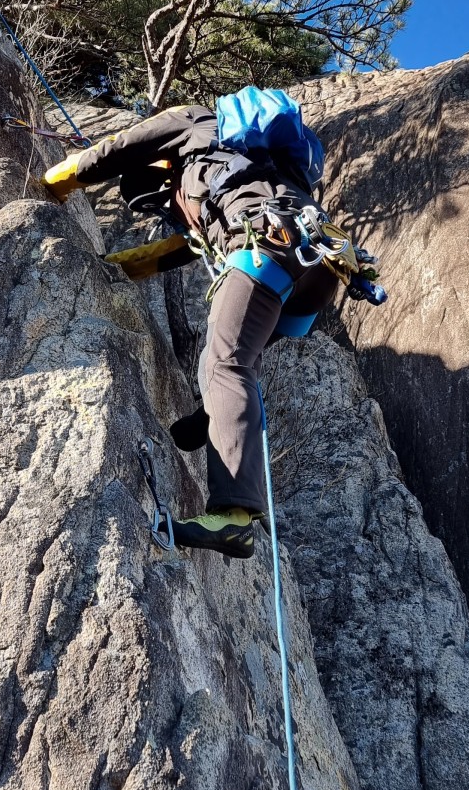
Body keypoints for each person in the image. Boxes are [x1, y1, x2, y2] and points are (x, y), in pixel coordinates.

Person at [43, 91, 380, 558]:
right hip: (320, 266)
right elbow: (181, 249)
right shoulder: (231, 173)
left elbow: (119, 148)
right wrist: (114, 267)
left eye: (158, 193)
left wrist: (56, 181)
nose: (164, 203)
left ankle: (234, 516)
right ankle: (209, 415)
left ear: (162, 169)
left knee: (225, 364)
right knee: (233, 361)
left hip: (270, 246)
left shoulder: (193, 124)